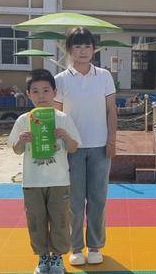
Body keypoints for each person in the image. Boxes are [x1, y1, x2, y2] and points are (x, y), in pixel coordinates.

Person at [54, 27, 117, 267]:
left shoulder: (104, 76)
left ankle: (95, 246)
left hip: (100, 147)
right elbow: (57, 116)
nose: (82, 51)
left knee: (98, 199)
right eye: (77, 46)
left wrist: (112, 141)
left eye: (87, 46)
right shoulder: (60, 80)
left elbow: (111, 111)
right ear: (69, 50)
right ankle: (76, 247)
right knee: (74, 201)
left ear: (94, 49)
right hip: (72, 149)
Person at [9, 68, 80, 274]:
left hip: (59, 181)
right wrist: (21, 141)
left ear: (54, 93)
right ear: (28, 94)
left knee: (60, 221)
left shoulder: (62, 118)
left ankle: (57, 257)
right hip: (32, 182)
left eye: (46, 90)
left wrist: (65, 136)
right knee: (36, 222)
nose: (41, 96)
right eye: (36, 91)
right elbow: (16, 150)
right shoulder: (23, 120)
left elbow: (74, 147)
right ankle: (42, 257)